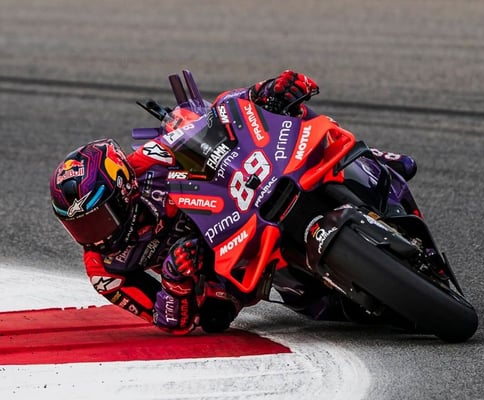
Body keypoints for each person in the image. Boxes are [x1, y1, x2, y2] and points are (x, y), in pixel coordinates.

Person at [50, 70, 417, 334]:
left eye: (98, 218)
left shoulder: (144, 163)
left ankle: (365, 158)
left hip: (236, 198)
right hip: (218, 270)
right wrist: (176, 283)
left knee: (287, 114)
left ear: (124, 188)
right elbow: (168, 322)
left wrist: (263, 92)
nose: (94, 235)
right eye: (79, 227)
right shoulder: (104, 269)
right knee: (225, 316)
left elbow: (214, 118)